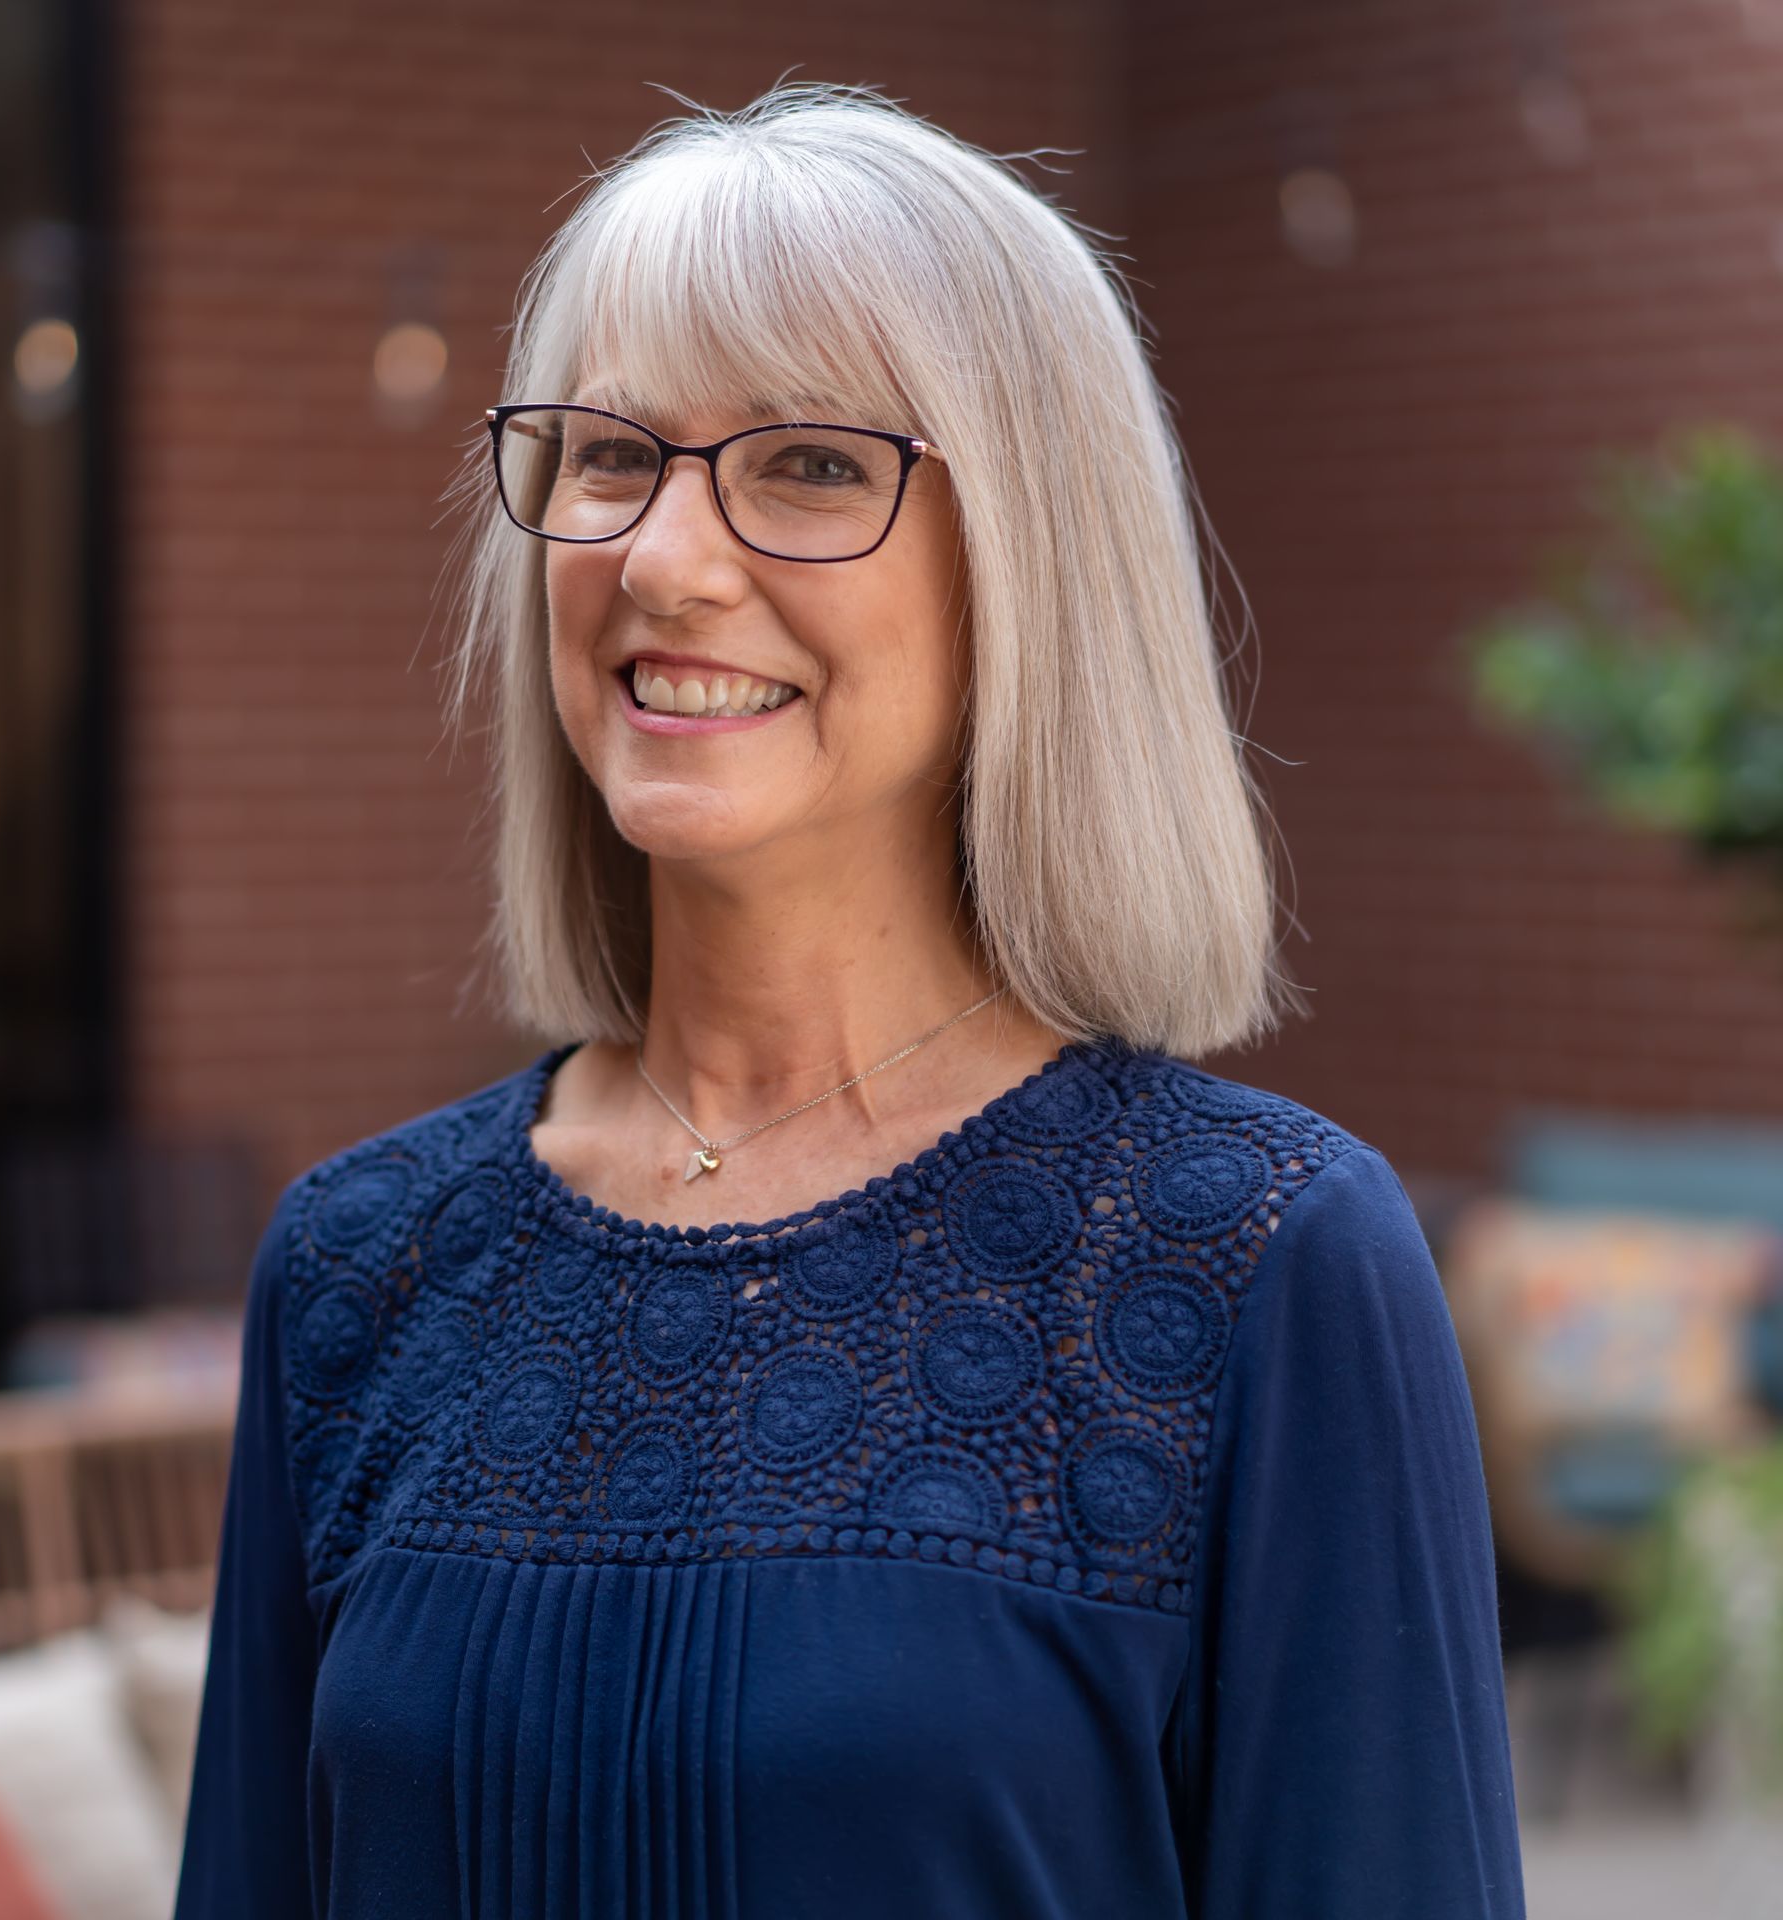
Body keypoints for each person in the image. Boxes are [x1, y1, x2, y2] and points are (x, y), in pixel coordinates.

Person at [174, 80, 1527, 1920]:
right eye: (611, 455)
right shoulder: (359, 1268)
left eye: (809, 462)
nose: (664, 559)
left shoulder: (1253, 1267)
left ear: (1028, 568)